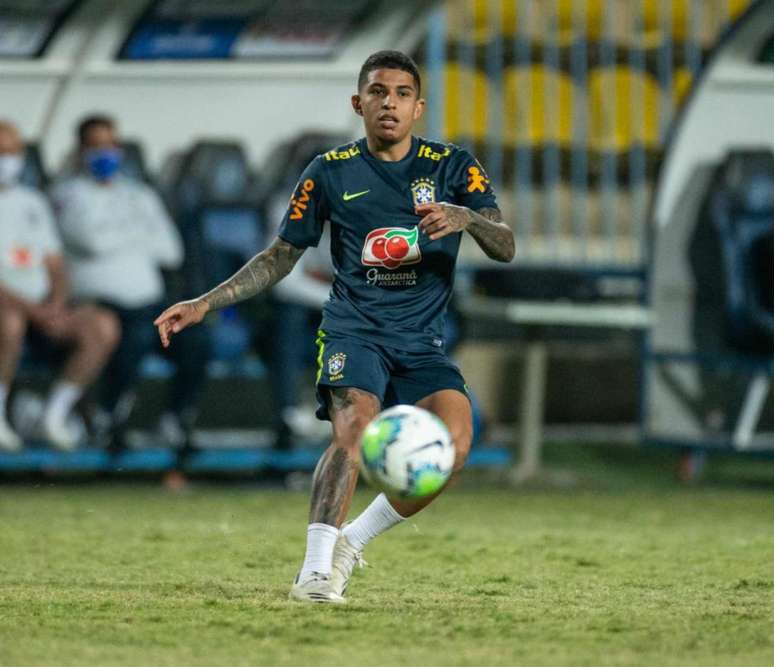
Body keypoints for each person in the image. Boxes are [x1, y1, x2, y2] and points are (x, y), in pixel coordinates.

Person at [154, 51, 514, 603]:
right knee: (353, 432)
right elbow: (280, 255)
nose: (387, 102)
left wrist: (467, 217)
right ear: (358, 103)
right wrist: (206, 302)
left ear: (418, 108)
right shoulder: (329, 170)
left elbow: (506, 244)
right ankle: (315, 570)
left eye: (399, 93)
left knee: (455, 447)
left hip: (421, 340)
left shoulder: (453, 166)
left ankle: (352, 542)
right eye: (376, 92)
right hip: (355, 329)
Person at [51, 115, 206, 450]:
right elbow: (92, 242)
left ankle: (175, 420)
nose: (104, 153)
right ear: (80, 151)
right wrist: (139, 235)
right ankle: (110, 419)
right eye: (95, 146)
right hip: (95, 301)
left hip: (147, 301)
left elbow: (170, 250)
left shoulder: (139, 194)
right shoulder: (68, 193)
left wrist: (117, 236)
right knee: (134, 333)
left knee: (196, 337)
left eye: (110, 145)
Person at [0, 120, 119, 451]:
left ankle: (55, 415)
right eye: (0, 152)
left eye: (12, 152)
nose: (6, 160)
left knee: (102, 325)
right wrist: (32, 310)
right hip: (11, 308)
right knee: (8, 320)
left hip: (43, 308)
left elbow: (55, 264)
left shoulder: (32, 202)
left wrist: (55, 303)